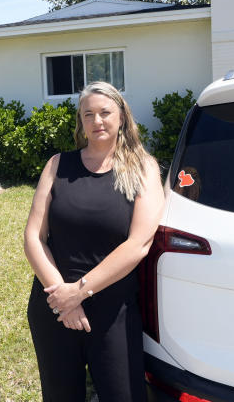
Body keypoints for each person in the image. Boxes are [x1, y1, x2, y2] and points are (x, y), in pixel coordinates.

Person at [24, 81, 164, 401]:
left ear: (122, 117)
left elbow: (139, 243)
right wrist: (63, 296)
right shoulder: (57, 165)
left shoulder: (143, 168)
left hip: (111, 308)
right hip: (54, 304)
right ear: (81, 122)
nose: (97, 121)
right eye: (88, 114)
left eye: (105, 112)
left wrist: (79, 292)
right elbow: (34, 236)